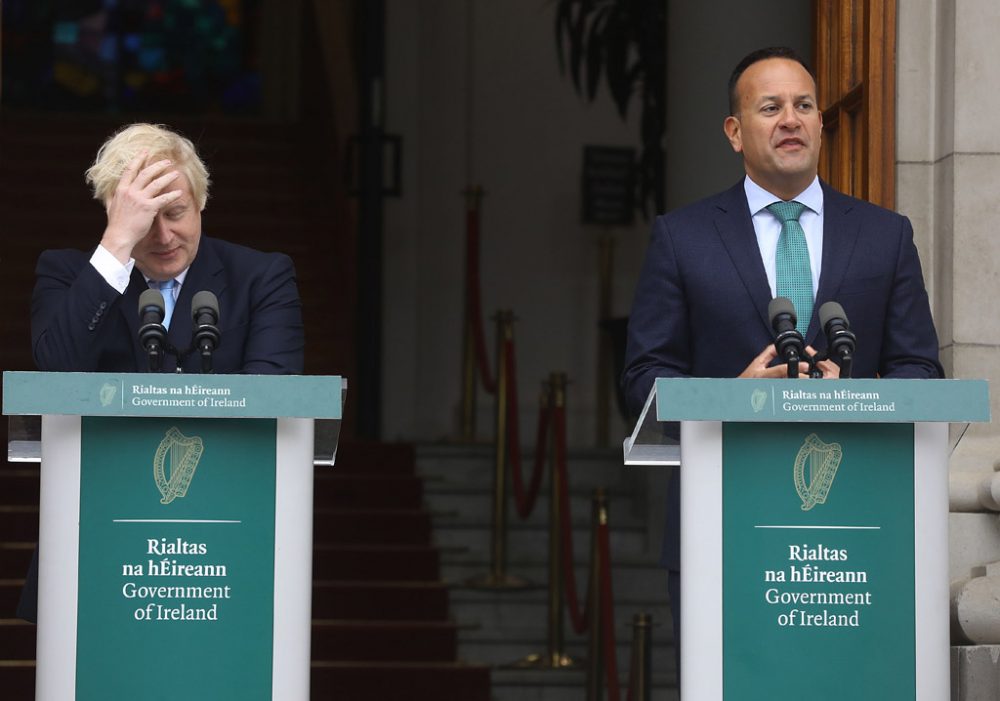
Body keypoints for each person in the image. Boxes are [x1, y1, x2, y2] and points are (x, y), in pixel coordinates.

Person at [621, 46, 942, 681]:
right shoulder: (682, 238)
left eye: (803, 106)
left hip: (857, 540)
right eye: (770, 108)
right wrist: (728, 397)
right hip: (725, 535)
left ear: (822, 123)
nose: (790, 119)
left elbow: (921, 372)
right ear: (735, 133)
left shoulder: (886, 235)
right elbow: (642, 377)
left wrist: (858, 396)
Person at [19, 123, 305, 620]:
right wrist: (115, 247)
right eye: (145, 219)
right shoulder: (67, 274)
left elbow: (273, 398)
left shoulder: (262, 277)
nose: (164, 235)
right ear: (115, 213)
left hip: (222, 554)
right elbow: (57, 371)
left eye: (176, 213)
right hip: (98, 542)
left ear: (201, 201)